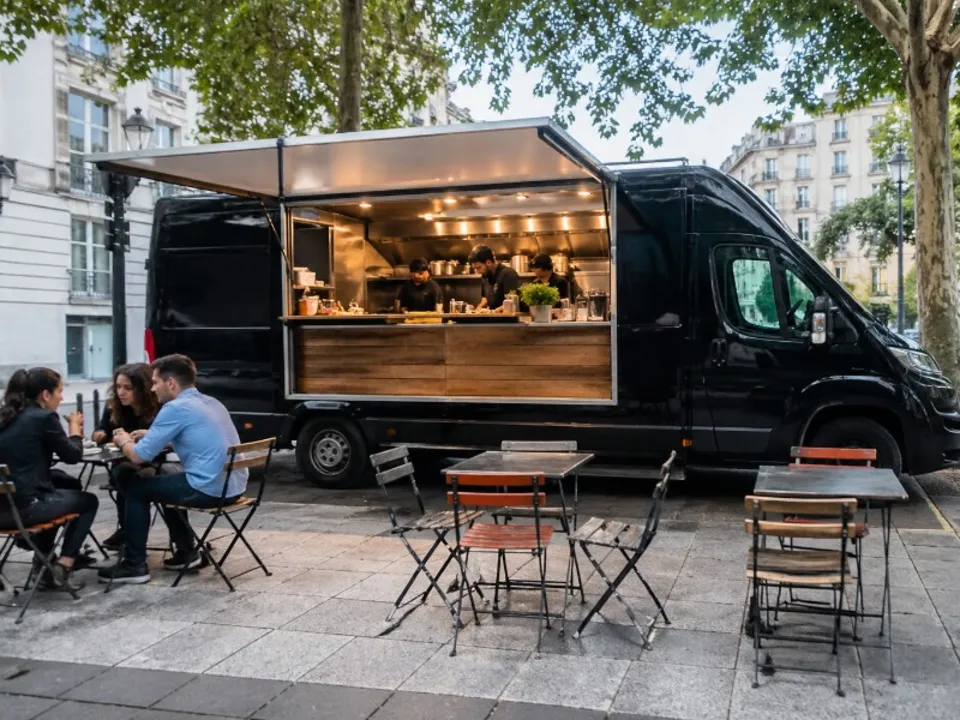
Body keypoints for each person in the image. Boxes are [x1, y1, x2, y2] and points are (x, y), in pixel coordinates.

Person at [98, 354, 247, 584]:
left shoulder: (175, 408)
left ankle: (134, 564)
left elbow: (138, 456)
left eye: (156, 382)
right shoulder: (210, 402)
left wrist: (123, 440)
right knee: (167, 478)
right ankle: (186, 553)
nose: (153, 388)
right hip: (234, 485)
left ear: (171, 383)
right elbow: (191, 435)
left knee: (137, 488)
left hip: (209, 489)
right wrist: (152, 435)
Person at [0, 368, 99, 590]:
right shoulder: (43, 417)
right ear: (45, 395)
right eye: (59, 392)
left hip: (4, 506)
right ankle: (62, 566)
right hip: (24, 510)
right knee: (89, 501)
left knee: (66, 483)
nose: (61, 397)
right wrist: (75, 428)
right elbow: (72, 456)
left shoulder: (6, 416)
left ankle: (42, 561)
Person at [93, 363, 160, 551]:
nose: (121, 392)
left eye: (128, 388)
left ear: (143, 389)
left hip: (154, 462)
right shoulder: (114, 406)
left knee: (128, 476)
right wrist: (98, 434)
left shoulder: (158, 407)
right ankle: (127, 530)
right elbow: (102, 429)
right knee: (124, 473)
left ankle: (130, 532)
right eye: (118, 387)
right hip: (123, 461)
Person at [469, 245, 520, 311]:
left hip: (506, 320)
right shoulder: (485, 276)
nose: (477, 272)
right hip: (492, 319)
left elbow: (512, 302)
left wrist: (495, 311)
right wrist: (478, 308)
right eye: (475, 269)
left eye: (479, 268)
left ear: (488, 262)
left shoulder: (508, 274)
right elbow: (485, 298)